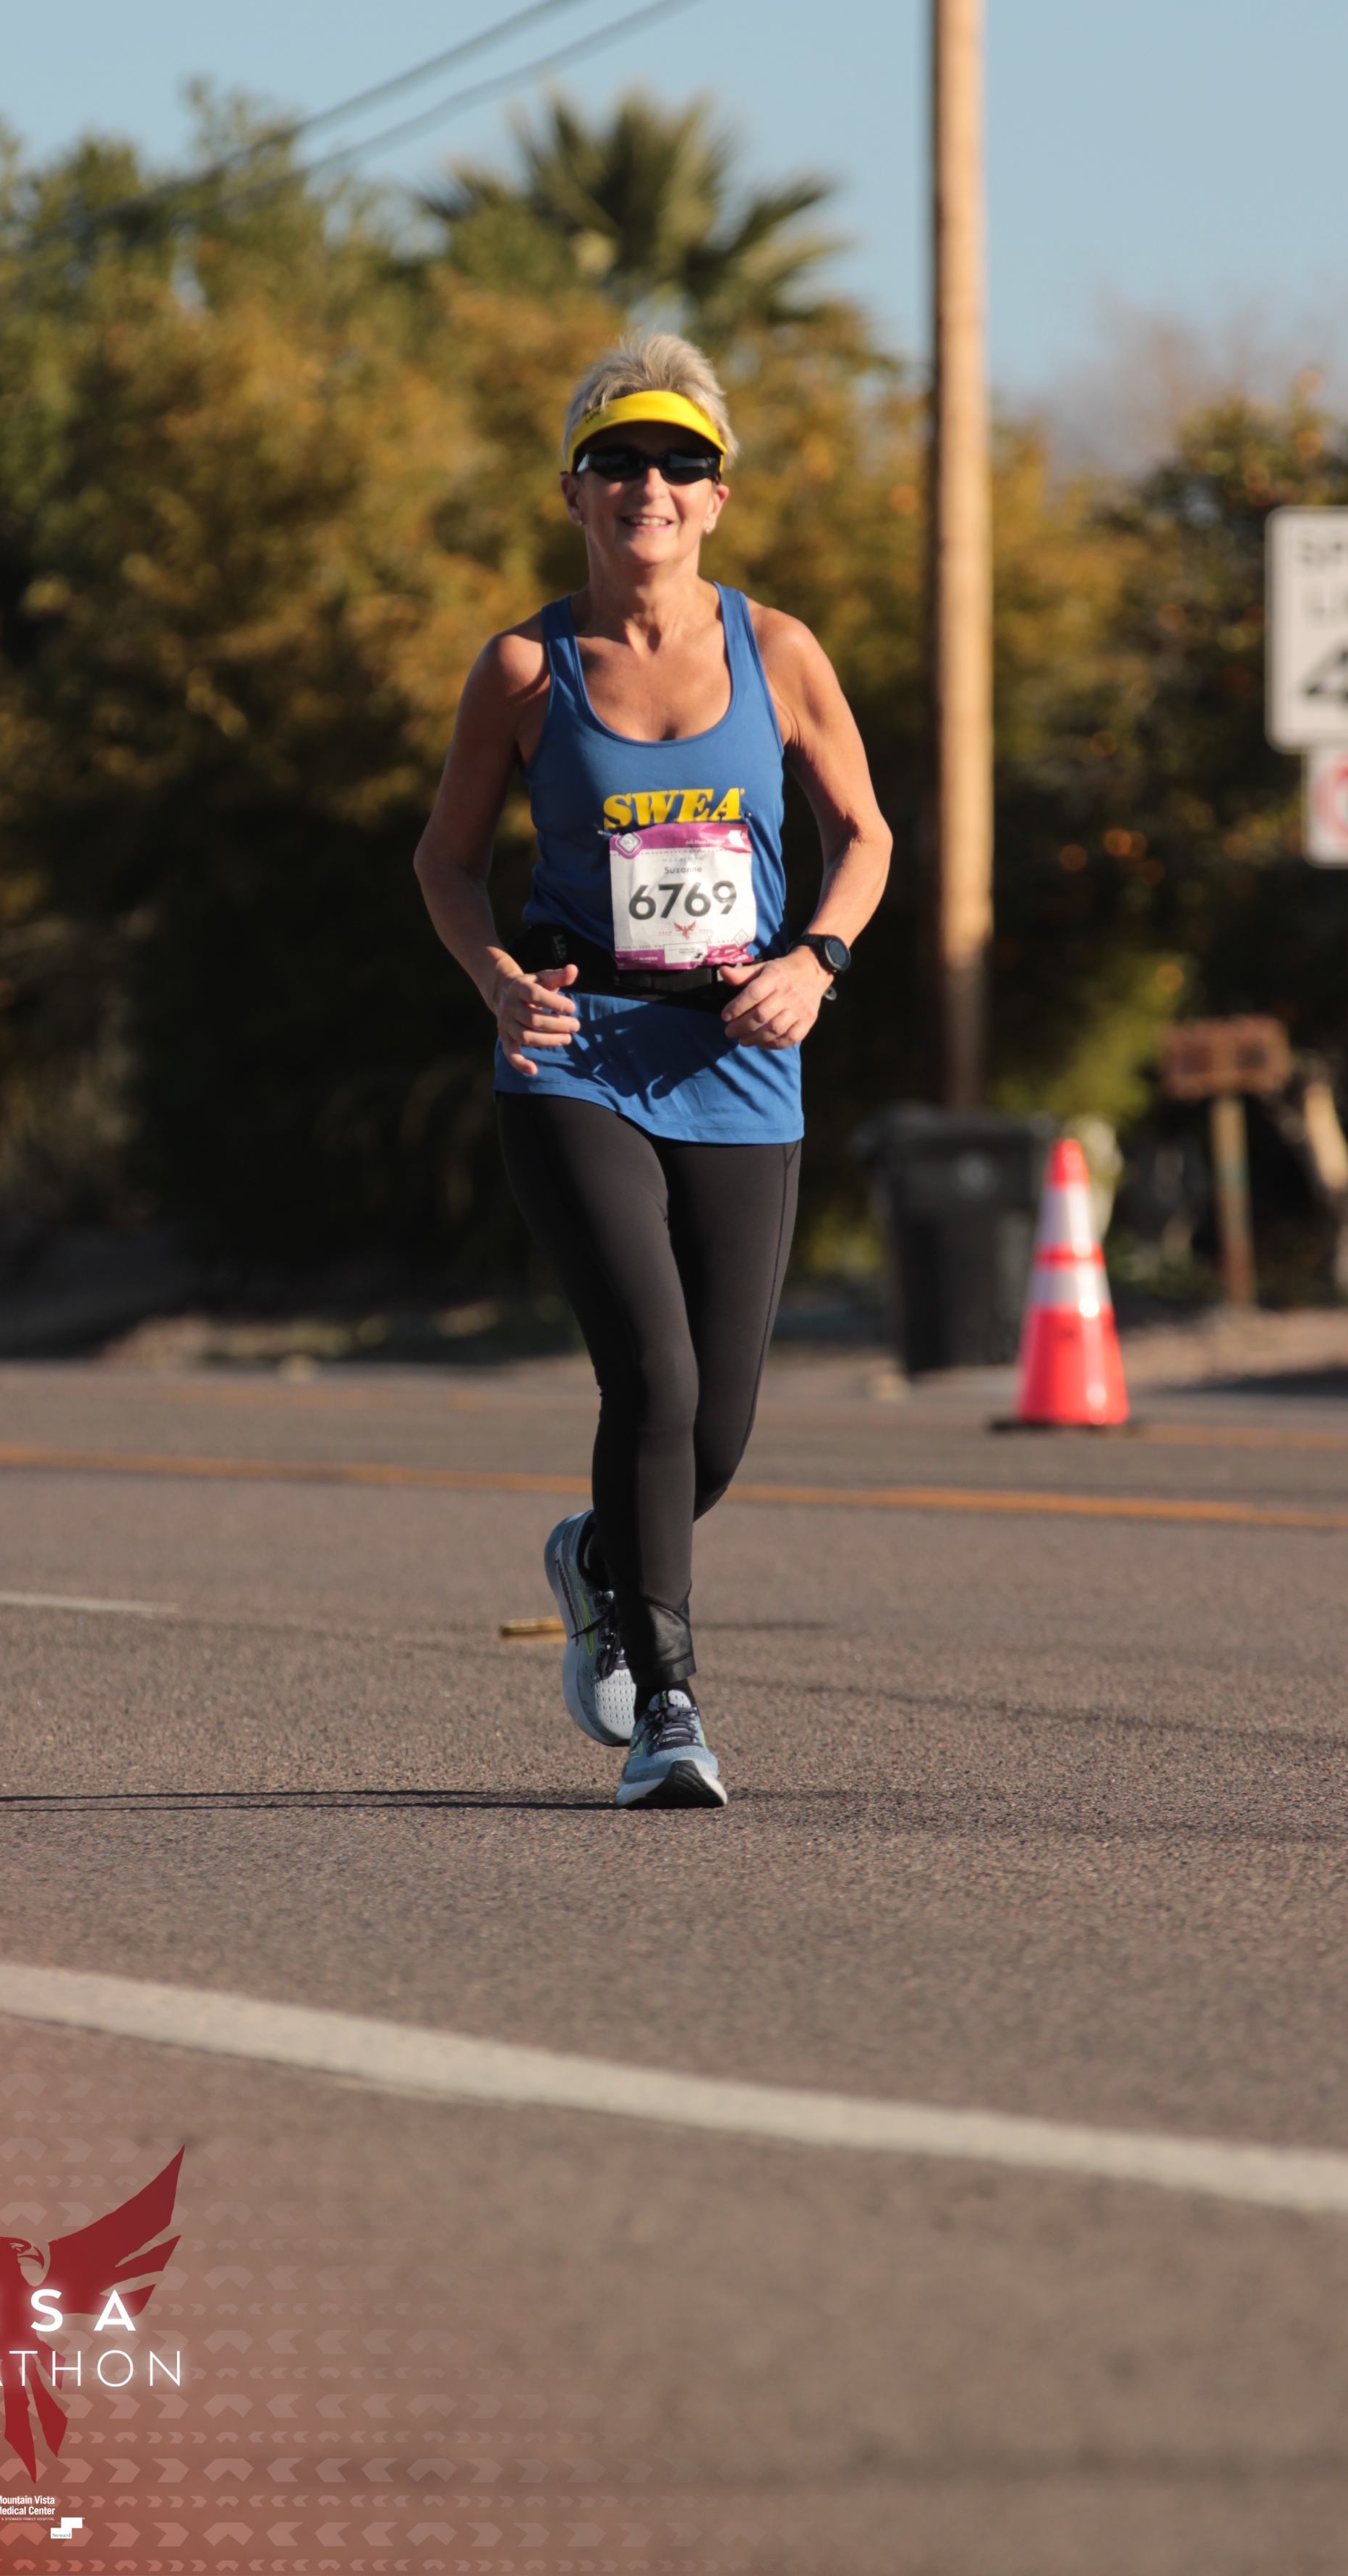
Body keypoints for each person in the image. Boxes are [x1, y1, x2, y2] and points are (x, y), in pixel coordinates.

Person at [414, 333, 892, 1807]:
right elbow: (445, 865)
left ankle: (596, 1556)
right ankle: (666, 1709)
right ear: (575, 491)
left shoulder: (779, 652)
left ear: (717, 497)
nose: (651, 485)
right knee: (654, 1375)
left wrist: (816, 961)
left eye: (682, 462)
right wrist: (500, 984)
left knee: (718, 1430)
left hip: (740, 1065)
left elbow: (864, 837)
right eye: (618, 460)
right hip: (580, 1062)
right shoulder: (525, 668)